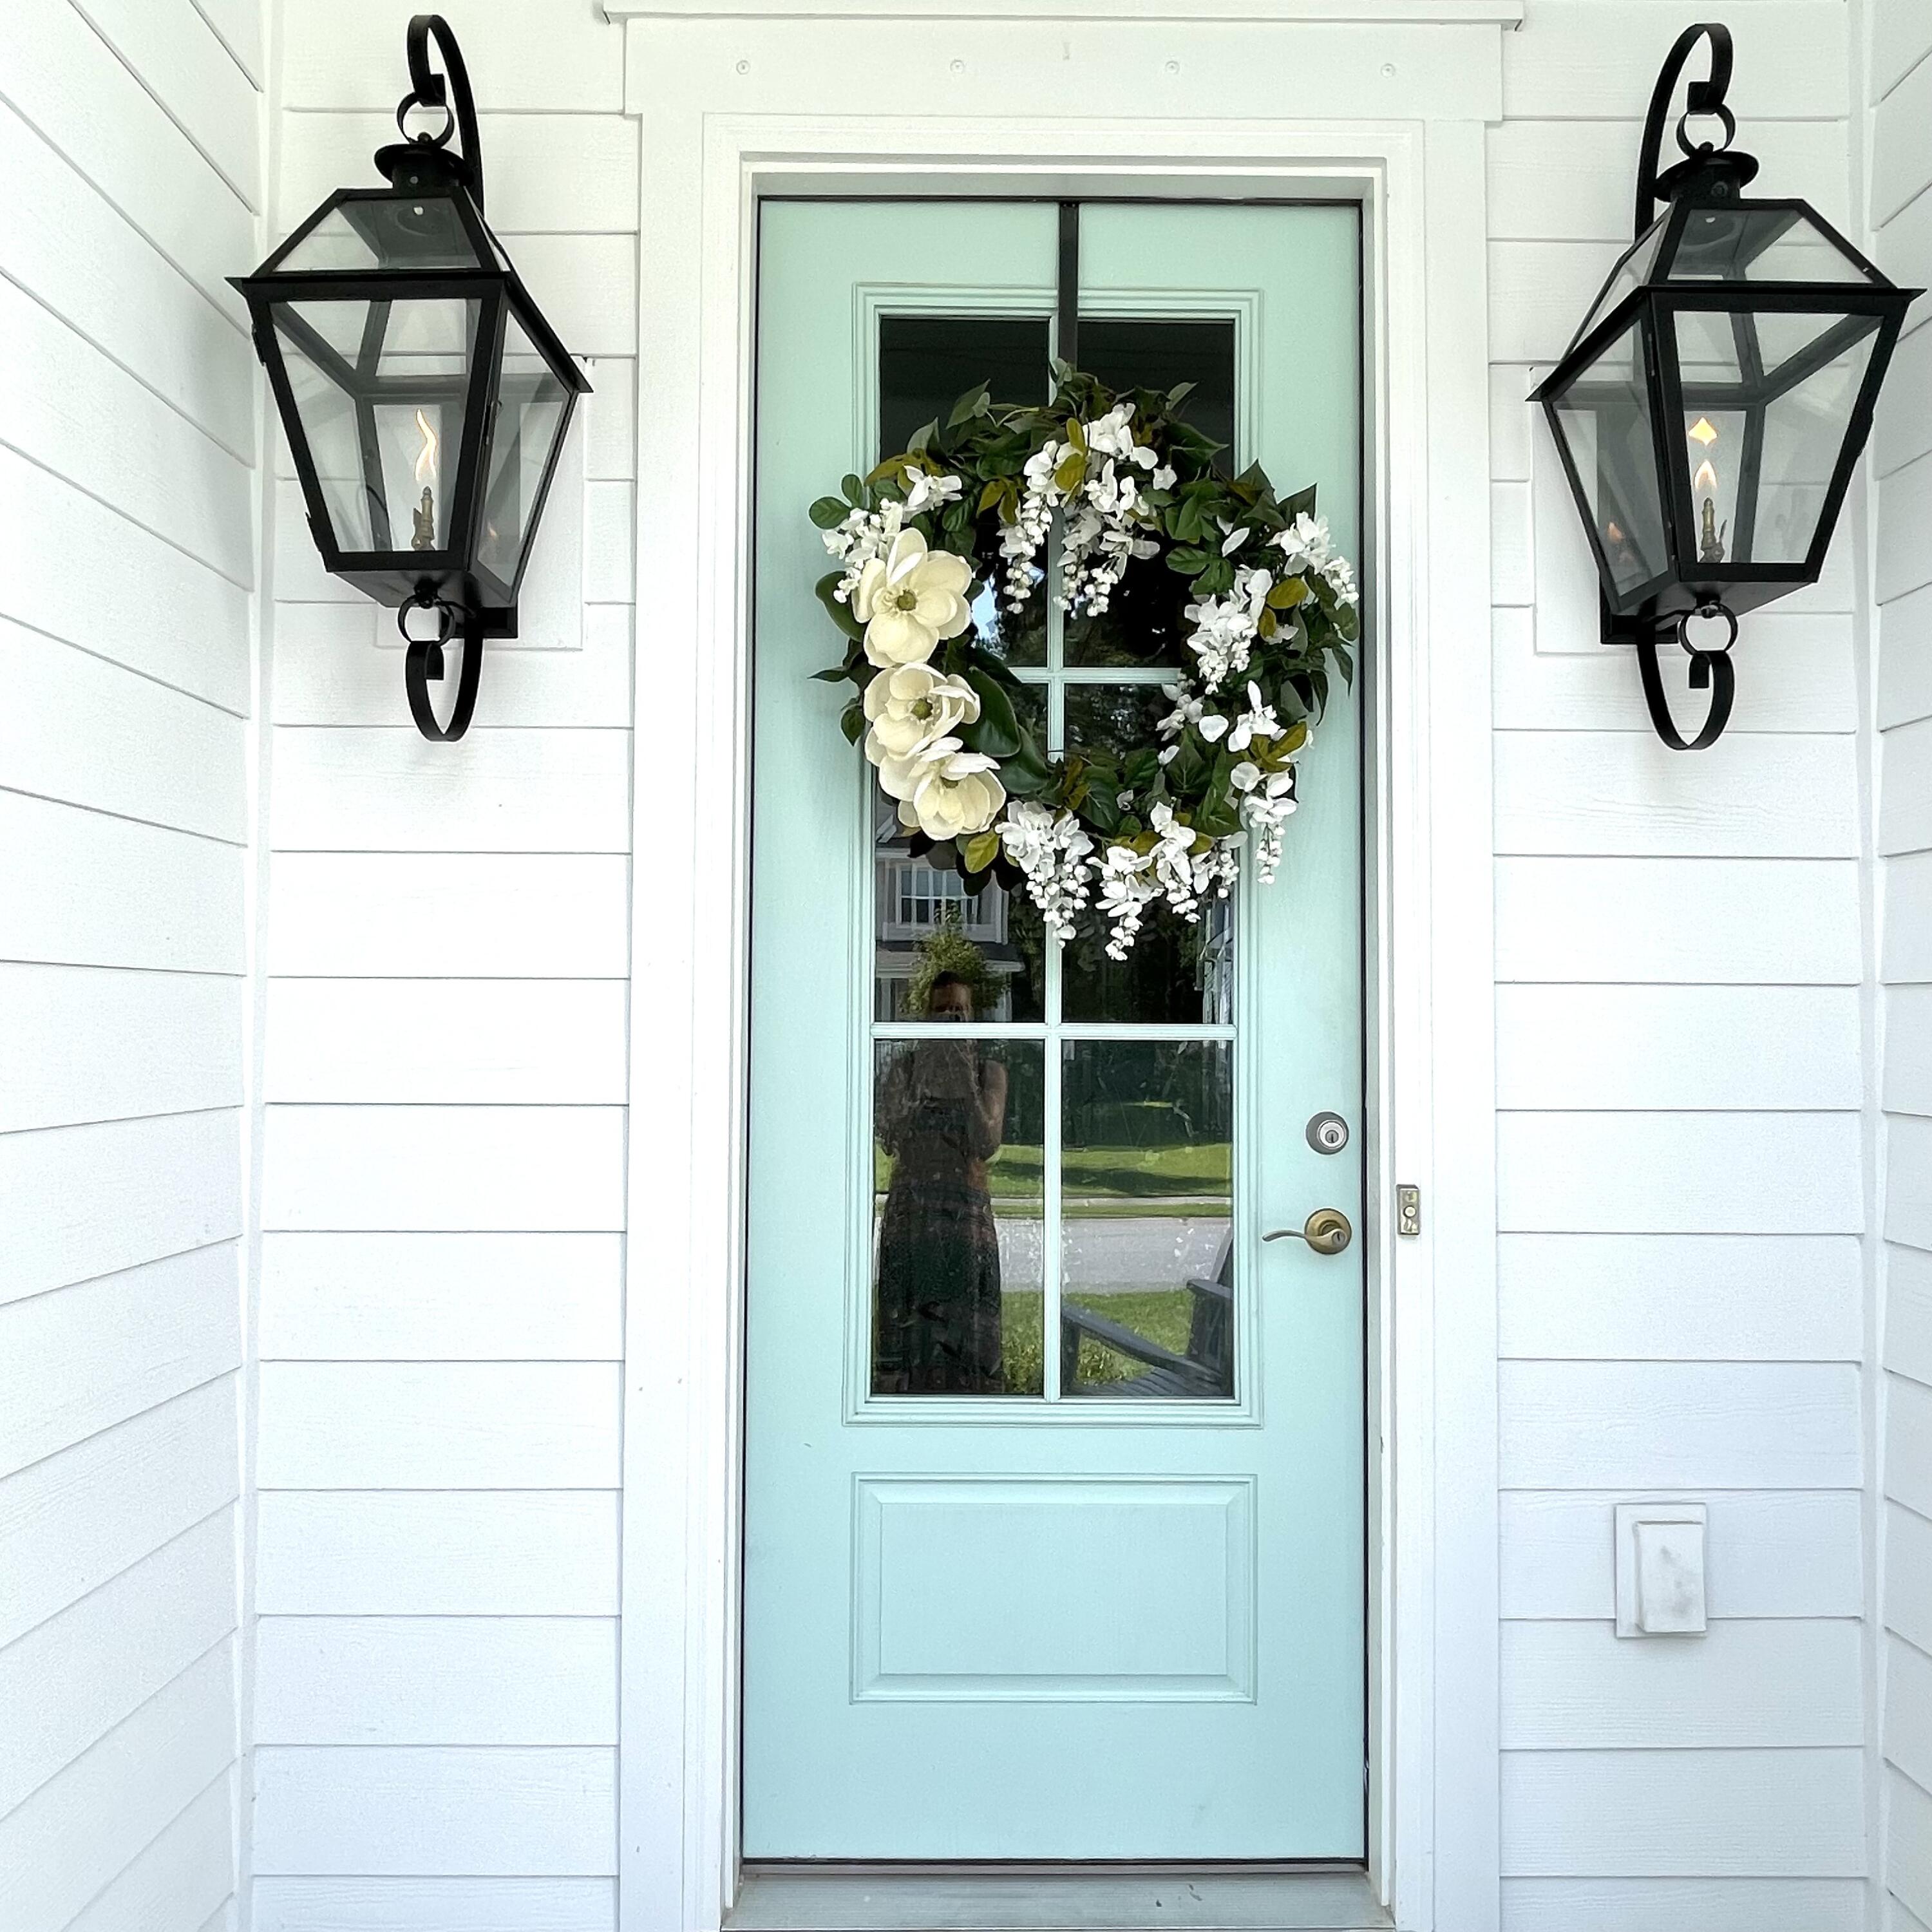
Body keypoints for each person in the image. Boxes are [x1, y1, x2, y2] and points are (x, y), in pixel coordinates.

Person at [872, 972, 1009, 1393]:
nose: (950, 1017)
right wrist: (923, 1084)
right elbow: (889, 1138)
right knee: (905, 1321)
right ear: (925, 1017)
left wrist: (964, 1080)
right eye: (941, 1009)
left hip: (966, 1214)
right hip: (912, 1210)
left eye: (959, 1010)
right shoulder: (905, 1068)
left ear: (972, 1019)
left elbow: (986, 1143)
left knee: (968, 1324)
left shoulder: (990, 1072)